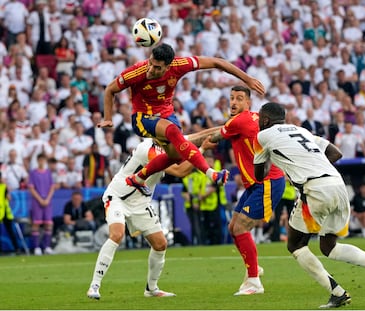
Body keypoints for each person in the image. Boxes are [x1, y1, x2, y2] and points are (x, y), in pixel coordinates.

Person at [253, 102, 365, 308]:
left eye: (260, 118)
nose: (258, 122)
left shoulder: (262, 136)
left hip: (315, 189)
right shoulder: (301, 130)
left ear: (265, 120)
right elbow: (336, 153)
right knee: (328, 247)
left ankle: (337, 292)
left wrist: (277, 162)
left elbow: (259, 174)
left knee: (295, 245)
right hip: (338, 185)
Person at [97, 43, 265, 197]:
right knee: (172, 131)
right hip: (143, 118)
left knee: (176, 157)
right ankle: (211, 173)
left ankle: (139, 179)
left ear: (168, 66)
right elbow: (110, 89)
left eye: (157, 67)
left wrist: (247, 79)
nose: (151, 69)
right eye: (150, 63)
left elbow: (216, 62)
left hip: (167, 114)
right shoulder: (137, 72)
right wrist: (108, 118)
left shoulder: (180, 65)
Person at [87, 128, 219, 300]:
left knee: (160, 244)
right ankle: (94, 285)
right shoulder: (147, 149)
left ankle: (151, 289)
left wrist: (225, 128)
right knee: (117, 235)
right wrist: (202, 149)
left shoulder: (170, 141)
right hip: (119, 196)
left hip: (141, 202)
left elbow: (198, 136)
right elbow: (180, 171)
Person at [210, 86, 285, 295]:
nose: (233, 102)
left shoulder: (239, 121)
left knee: (241, 227)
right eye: (231, 98)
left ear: (248, 103)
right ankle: (254, 268)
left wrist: (188, 145)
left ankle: (254, 282)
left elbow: (214, 137)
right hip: (257, 183)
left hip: (267, 182)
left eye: (239, 99)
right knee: (234, 226)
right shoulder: (252, 118)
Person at [28, 153, 56, 256]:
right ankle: (36, 247)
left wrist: (47, 199)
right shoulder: (33, 173)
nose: (42, 162)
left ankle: (47, 246)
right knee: (36, 223)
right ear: (38, 160)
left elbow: (52, 187)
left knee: (48, 223)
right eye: (40, 160)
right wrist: (40, 199)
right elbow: (31, 187)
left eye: (43, 160)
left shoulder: (48, 173)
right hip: (37, 201)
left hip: (47, 200)